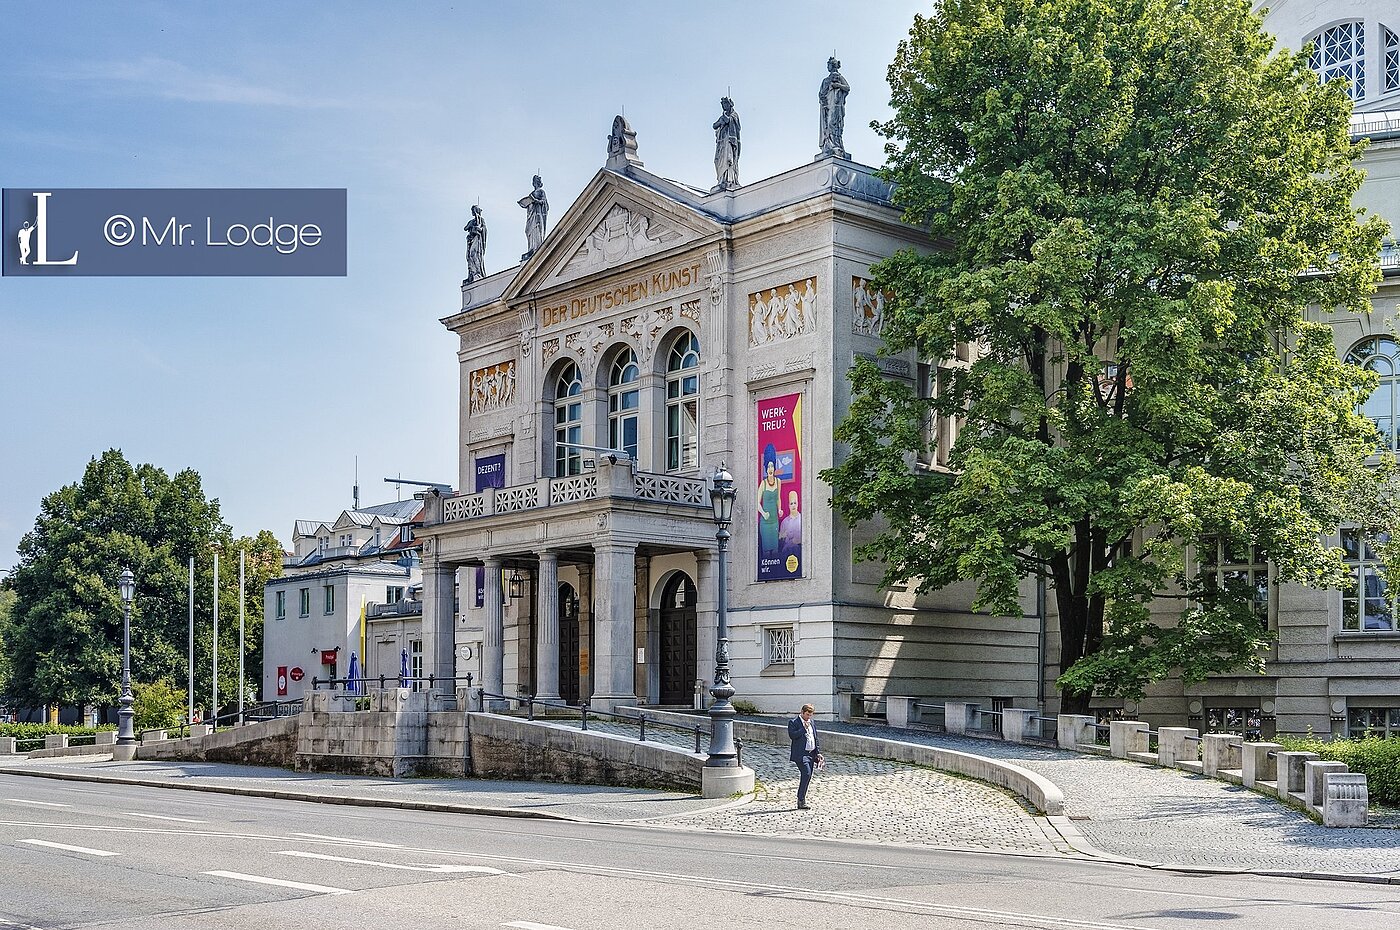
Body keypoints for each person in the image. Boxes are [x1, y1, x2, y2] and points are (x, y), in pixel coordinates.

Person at [787, 703, 822, 809]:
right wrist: (803, 728)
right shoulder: (794, 722)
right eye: (807, 714)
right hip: (801, 754)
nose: (808, 717)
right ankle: (801, 799)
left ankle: (802, 799)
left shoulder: (812, 722)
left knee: (808, 776)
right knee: (806, 773)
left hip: (811, 753)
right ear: (802, 712)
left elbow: (815, 738)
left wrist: (818, 752)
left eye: (810, 715)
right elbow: (792, 735)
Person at [712, 96, 741, 190]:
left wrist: (725, 118)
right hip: (722, 142)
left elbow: (730, 121)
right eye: (723, 104)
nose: (724, 106)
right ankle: (721, 178)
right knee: (717, 160)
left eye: (725, 104)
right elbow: (714, 125)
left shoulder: (734, 115)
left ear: (730, 104)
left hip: (729, 142)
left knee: (728, 160)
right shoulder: (722, 116)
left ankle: (729, 179)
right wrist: (720, 122)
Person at [757, 452, 781, 556]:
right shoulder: (763, 483)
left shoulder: (778, 481)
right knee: (766, 551)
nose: (770, 468)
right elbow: (756, 503)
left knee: (775, 549)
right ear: (766, 469)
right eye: (768, 466)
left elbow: (778, 498)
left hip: (774, 520)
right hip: (765, 522)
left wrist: (779, 509)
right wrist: (763, 513)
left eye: (772, 466)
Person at [464, 205, 486, 282]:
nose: (472, 212)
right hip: (470, 240)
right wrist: (473, 226)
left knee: (473, 254)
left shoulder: (481, 220)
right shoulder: (472, 221)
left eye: (473, 210)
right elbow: (465, 228)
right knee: (469, 256)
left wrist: (477, 228)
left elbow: (483, 230)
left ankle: (477, 272)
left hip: (477, 239)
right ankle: (471, 273)